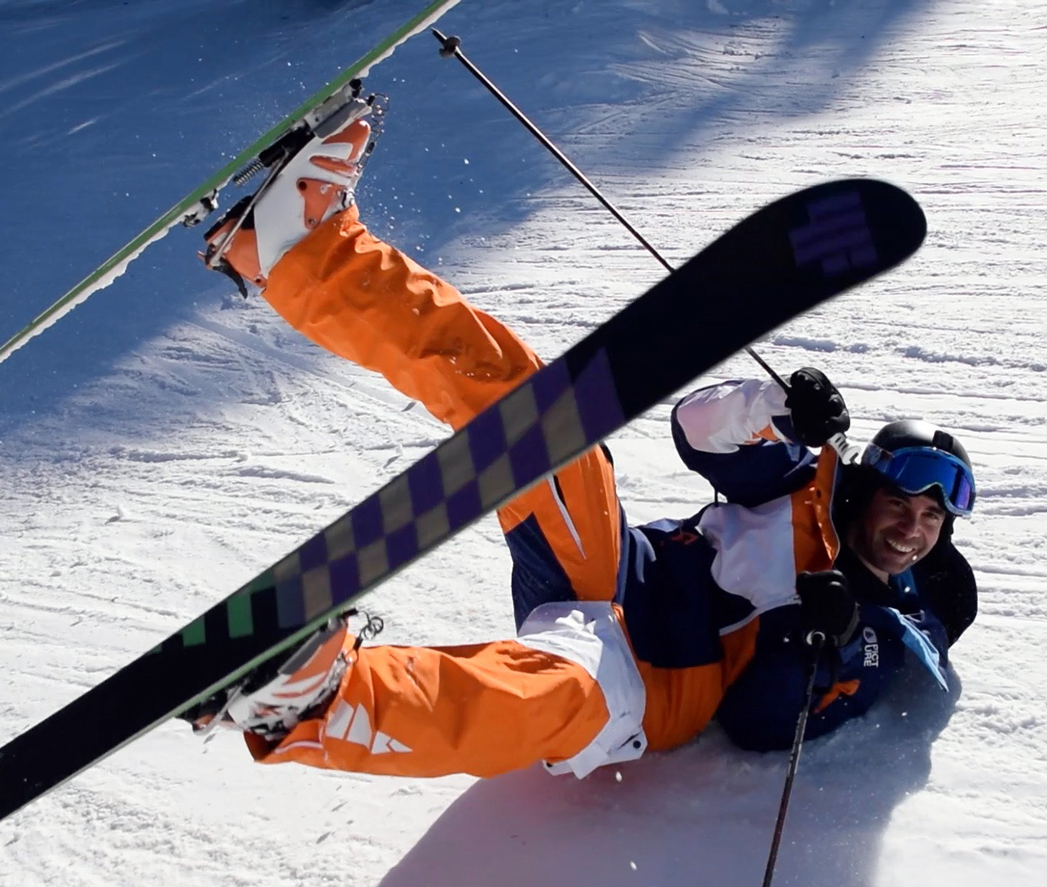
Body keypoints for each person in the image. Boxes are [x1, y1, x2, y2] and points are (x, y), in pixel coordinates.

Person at [181, 96, 978, 779]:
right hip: (619, 566)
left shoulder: (889, 632)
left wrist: (833, 643)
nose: (912, 527)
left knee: (555, 695)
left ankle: (316, 705)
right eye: (902, 501)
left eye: (932, 518)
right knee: (539, 418)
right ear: (867, 490)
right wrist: (773, 408)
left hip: (659, 681)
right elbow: (700, 433)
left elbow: (762, 724)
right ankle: (300, 251)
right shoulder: (806, 493)